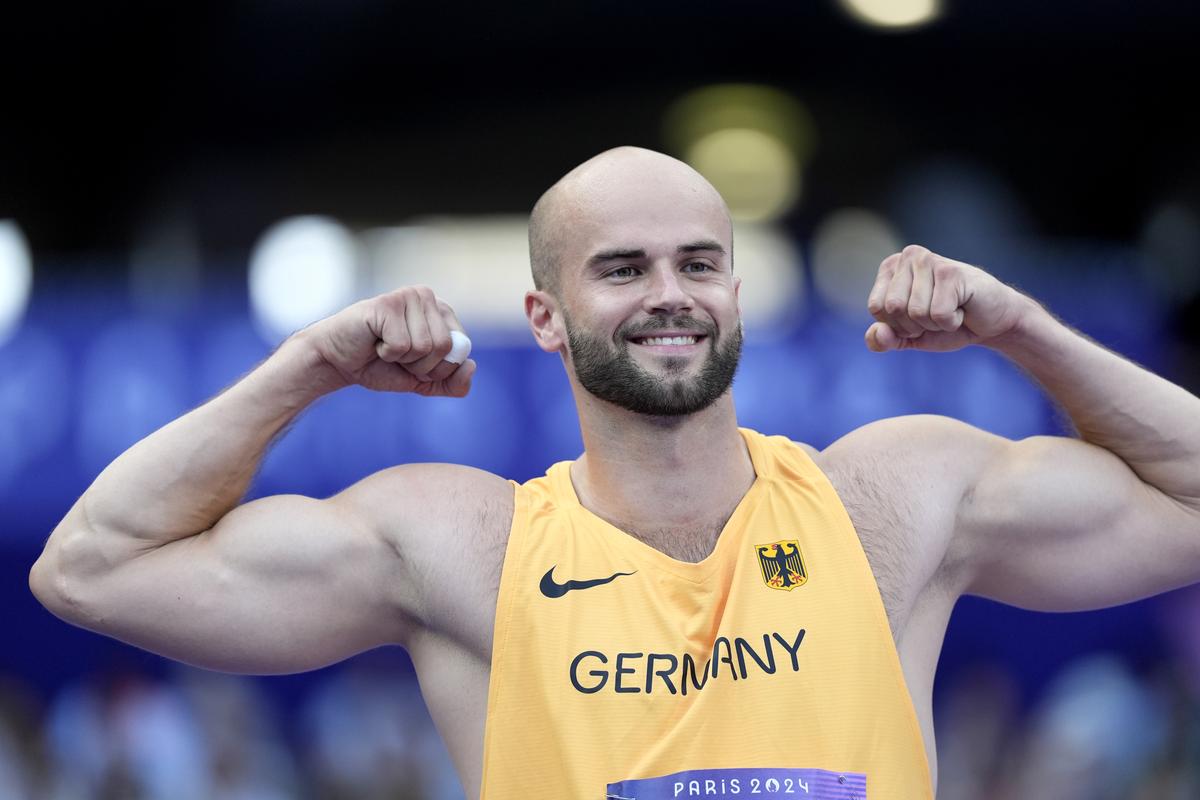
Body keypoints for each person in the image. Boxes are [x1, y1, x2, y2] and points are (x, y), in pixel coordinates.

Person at [30, 146, 1200, 799]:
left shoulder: (887, 501)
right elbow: (91, 568)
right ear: (544, 314)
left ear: (739, 291)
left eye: (699, 260)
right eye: (622, 268)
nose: (669, 294)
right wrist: (301, 368)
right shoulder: (463, 546)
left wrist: (1021, 327)